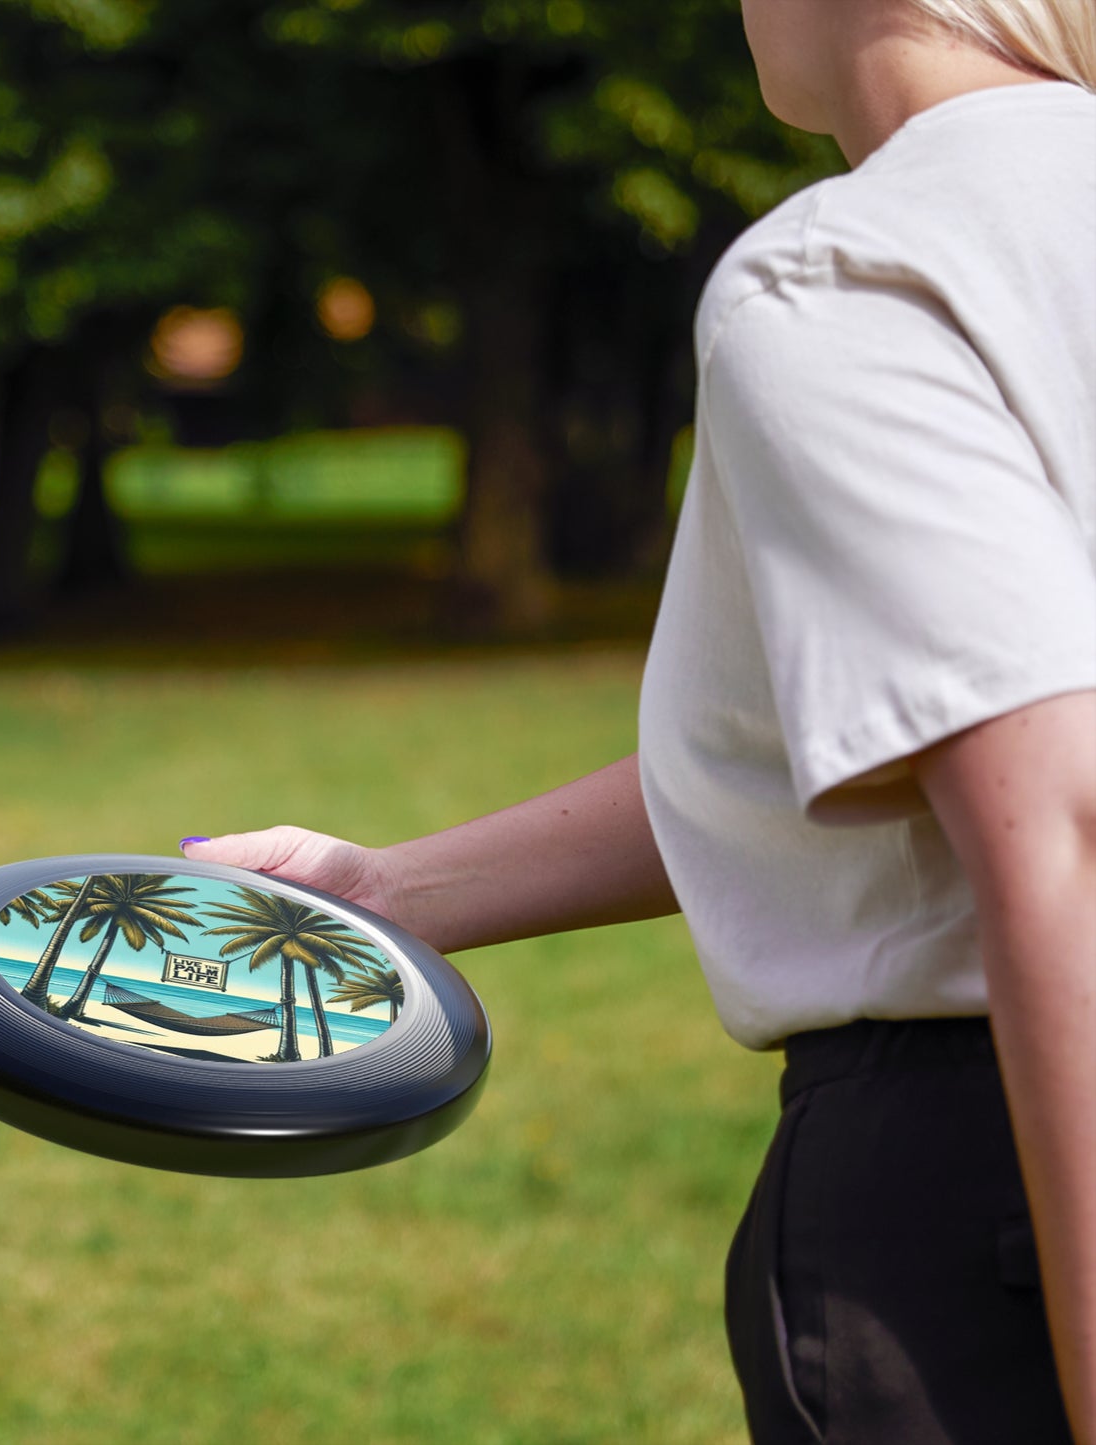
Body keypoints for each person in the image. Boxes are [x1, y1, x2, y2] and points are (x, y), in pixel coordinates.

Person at [180, 2, 1096, 1440]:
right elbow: (875, 740)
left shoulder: (855, 270)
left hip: (993, 1192)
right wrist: (389, 891)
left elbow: (1059, 821)